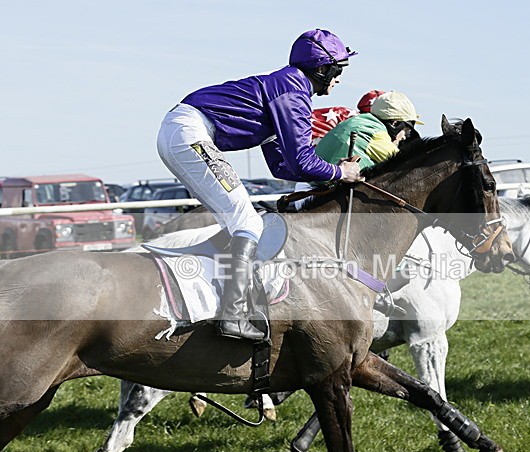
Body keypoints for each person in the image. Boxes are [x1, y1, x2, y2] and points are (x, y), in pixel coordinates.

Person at [157, 29, 362, 342]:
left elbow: (282, 165)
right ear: (323, 69)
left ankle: (209, 293)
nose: (339, 78)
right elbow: (300, 162)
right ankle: (232, 314)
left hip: (183, 131)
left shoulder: (285, 87)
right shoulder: (293, 93)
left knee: (237, 220)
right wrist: (339, 173)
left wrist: (325, 173)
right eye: (339, 70)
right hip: (189, 132)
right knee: (247, 221)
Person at [292, 91, 423, 210]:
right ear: (395, 124)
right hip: (317, 197)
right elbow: (409, 168)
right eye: (406, 130)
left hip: (305, 192)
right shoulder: (375, 133)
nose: (404, 136)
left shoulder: (357, 121)